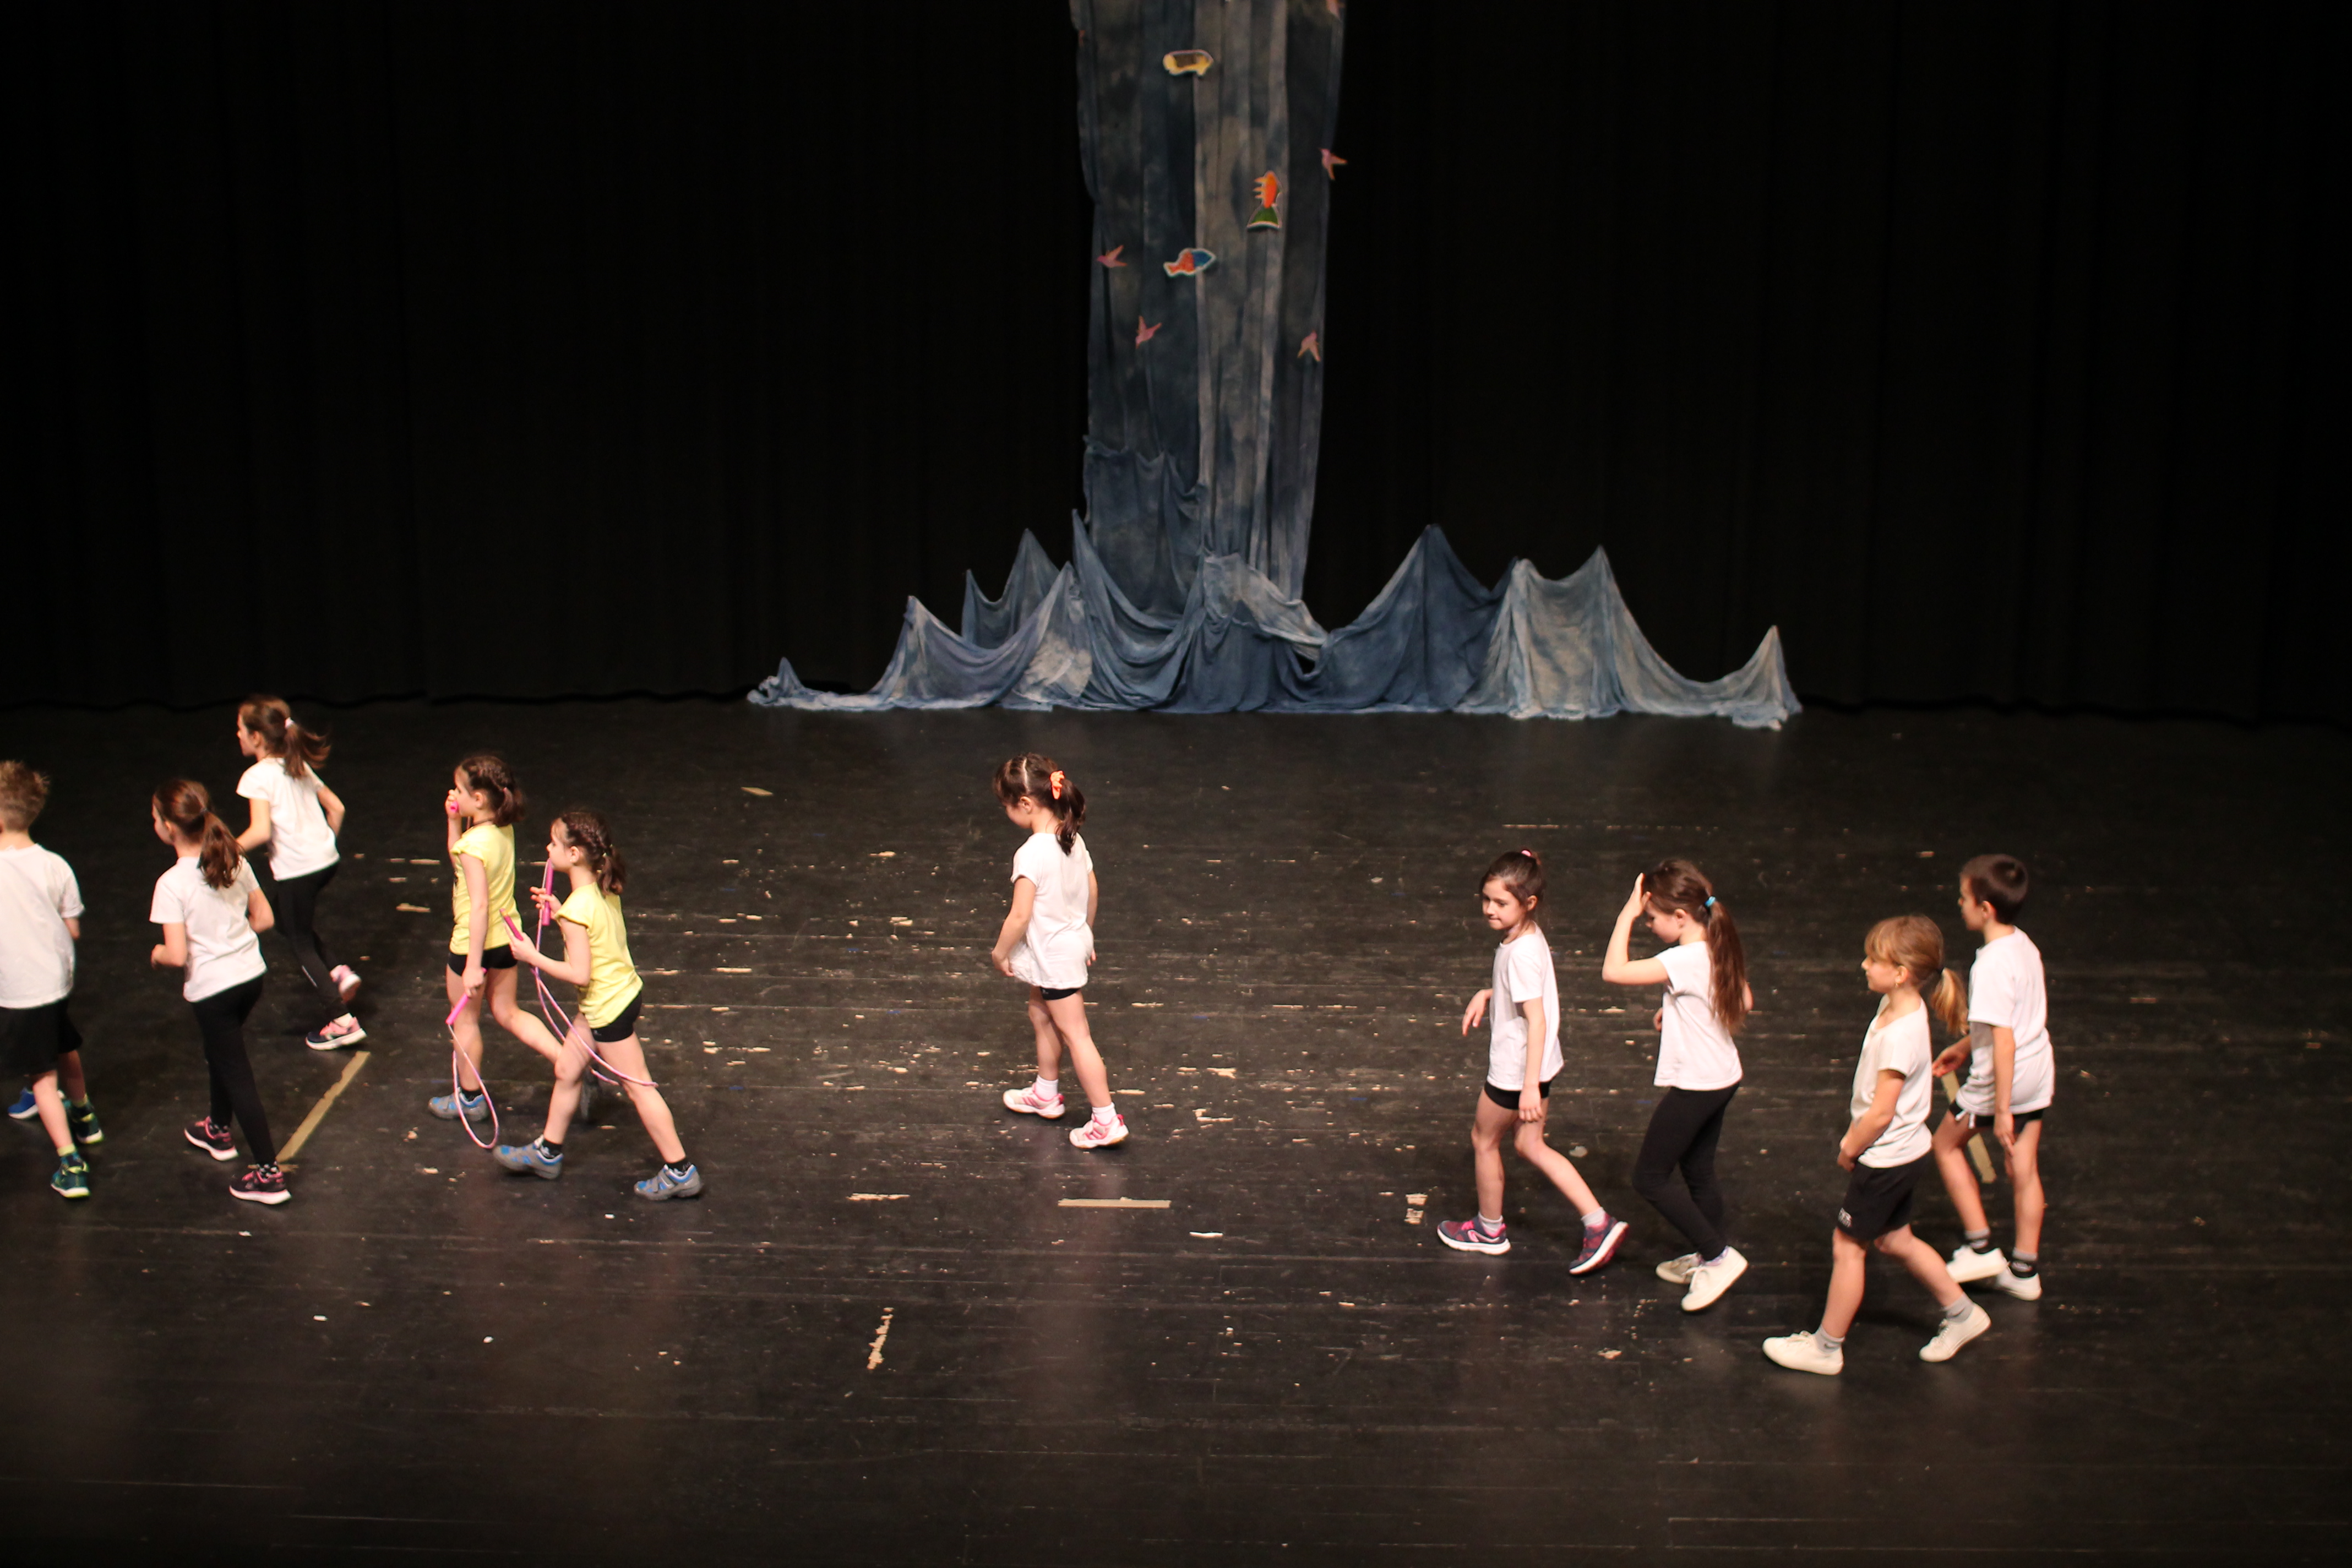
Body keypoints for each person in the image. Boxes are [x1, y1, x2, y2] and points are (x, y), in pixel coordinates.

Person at [1763, 916, 1994, 1374]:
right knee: (1895, 1239)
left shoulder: (1899, 1035)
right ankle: (1964, 1314)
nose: (1864, 965)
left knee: (1848, 1248)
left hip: (1886, 1160)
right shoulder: (1899, 1006)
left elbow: (1881, 1113)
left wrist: (1850, 1147)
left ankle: (1826, 1348)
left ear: (1901, 973)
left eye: (1874, 959)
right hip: (1907, 1153)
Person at [493, 809, 703, 1199]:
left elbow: (580, 974)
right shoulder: (602, 890)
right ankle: (548, 1151)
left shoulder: (577, 910)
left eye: (554, 843)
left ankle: (680, 1170)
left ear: (573, 854)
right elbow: (594, 932)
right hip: (616, 996)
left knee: (639, 1088)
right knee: (567, 1069)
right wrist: (560, 912)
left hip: (607, 1009)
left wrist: (532, 956)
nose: (548, 848)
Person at [1436, 849, 1627, 1271]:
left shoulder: (1519, 952)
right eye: (1486, 899)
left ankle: (1489, 1230)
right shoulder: (1528, 936)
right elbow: (1526, 993)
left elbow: (1536, 1021)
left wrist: (1527, 1088)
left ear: (1529, 903)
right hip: (1538, 1067)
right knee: (1529, 1145)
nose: (1490, 909)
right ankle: (1599, 1222)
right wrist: (1491, 993)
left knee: (1484, 1141)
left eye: (1501, 903)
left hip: (1515, 1073)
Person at [1601, 859, 1752, 1311]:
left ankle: (1719, 1257)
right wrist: (1681, 1010)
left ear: (1681, 917)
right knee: (1698, 1171)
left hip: (1698, 1085)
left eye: (1652, 918)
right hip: (1723, 1076)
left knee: (1649, 1178)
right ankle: (1710, 1256)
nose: (1649, 925)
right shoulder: (1715, 946)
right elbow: (1743, 998)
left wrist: (1626, 915)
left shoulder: (1683, 959)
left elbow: (1614, 971)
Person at [149, 779, 288, 1205]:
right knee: (222, 1053)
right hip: (250, 977)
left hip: (214, 990)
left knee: (235, 1071)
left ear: (169, 827)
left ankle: (269, 1174)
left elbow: (176, 955)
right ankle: (217, 1128)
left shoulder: (171, 884)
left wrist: (156, 954)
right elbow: (264, 919)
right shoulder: (233, 860)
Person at [1930, 853, 2053, 1300]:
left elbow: (2003, 1042)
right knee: (2024, 1167)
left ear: (1985, 909)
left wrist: (2000, 1110)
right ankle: (2024, 1271)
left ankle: (1979, 1246)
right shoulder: (2024, 946)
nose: (1959, 904)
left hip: (2004, 1079)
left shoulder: (1990, 966)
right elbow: (2011, 1022)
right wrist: (1965, 1047)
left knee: (1945, 1146)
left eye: (1964, 898)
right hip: (2037, 1071)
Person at [990, 754, 1125, 1150]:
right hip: (1065, 945)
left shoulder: (1032, 852)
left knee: (1077, 1035)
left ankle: (1105, 1120)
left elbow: (1020, 915)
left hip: (1054, 954)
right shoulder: (1073, 839)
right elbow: (1092, 889)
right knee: (1040, 1012)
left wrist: (1001, 952)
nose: (1007, 813)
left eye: (1007, 806)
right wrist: (1085, 933)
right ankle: (1046, 1092)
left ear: (1025, 804)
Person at [431, 755, 564, 1127]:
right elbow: (462, 865)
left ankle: (470, 1098)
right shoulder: (501, 831)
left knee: (466, 1022)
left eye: (459, 790)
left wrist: (473, 966)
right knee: (508, 1012)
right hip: (506, 939)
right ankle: (569, 1065)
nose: (454, 794)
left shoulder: (473, 845)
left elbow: (479, 905)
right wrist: (453, 820)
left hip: (471, 945)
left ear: (478, 799)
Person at [234, 696, 363, 1049]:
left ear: (257, 736)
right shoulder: (296, 764)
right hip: (325, 862)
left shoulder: (257, 777)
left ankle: (342, 1021)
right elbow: (337, 807)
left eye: (241, 729)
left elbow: (260, 831)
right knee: (286, 919)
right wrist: (324, 845)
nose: (238, 735)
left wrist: (226, 852)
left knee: (299, 941)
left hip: (298, 872)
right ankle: (337, 971)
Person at [0, 761, 99, 1198]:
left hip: (22, 989)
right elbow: (72, 928)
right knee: (63, 1045)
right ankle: (85, 1115)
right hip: (57, 981)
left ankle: (70, 1163)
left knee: (43, 1077)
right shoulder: (56, 865)